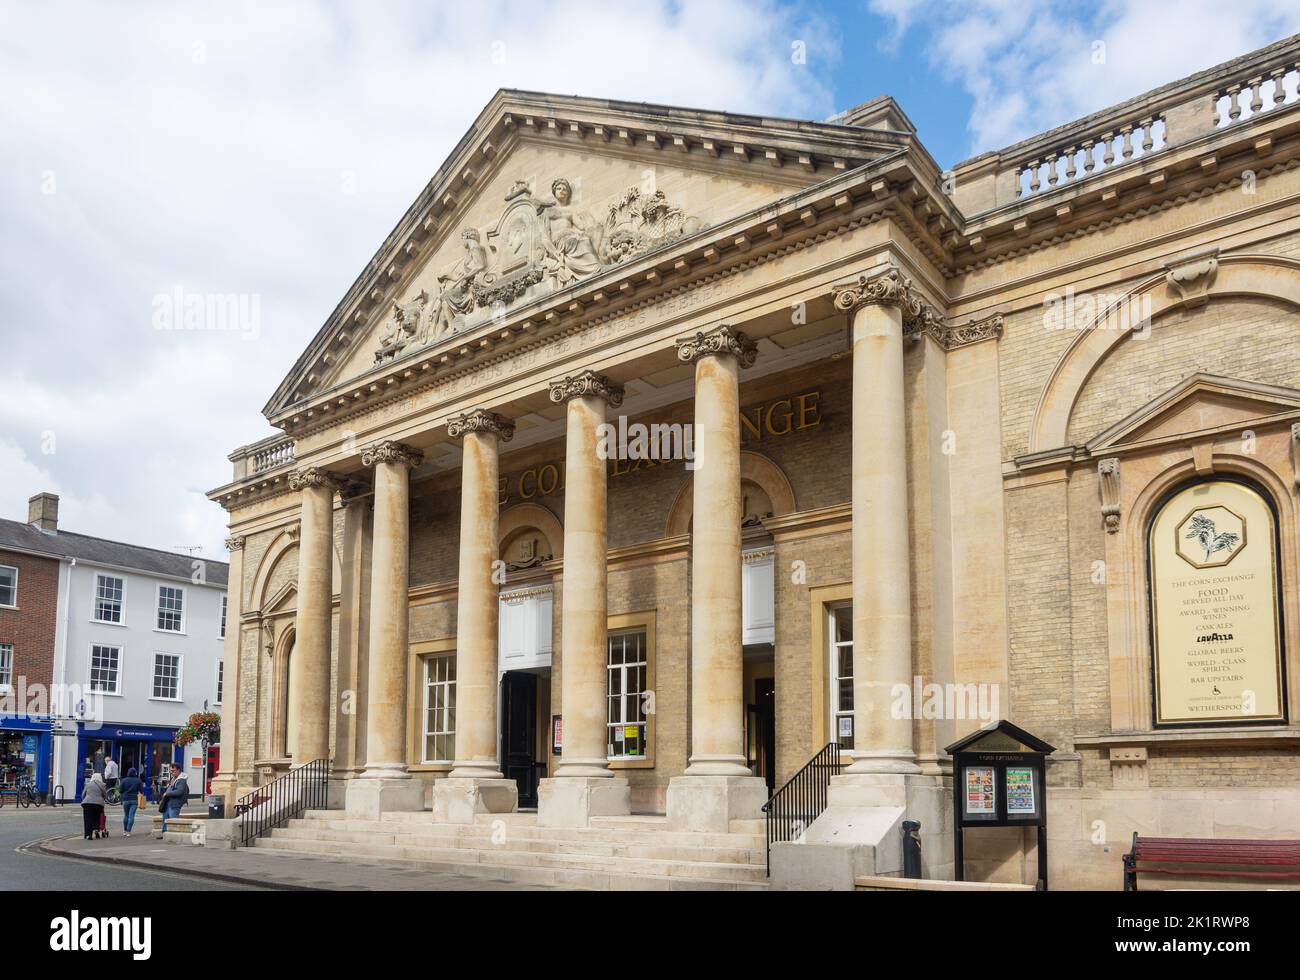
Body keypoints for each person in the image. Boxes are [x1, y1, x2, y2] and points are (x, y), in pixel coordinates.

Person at [159, 763, 188, 832]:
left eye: (173, 771)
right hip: (168, 803)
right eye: (171, 771)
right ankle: (164, 833)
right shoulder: (174, 778)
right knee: (165, 819)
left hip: (174, 804)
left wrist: (167, 793)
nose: (171, 773)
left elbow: (179, 792)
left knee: (173, 821)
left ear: (178, 770)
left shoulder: (181, 780)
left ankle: (173, 834)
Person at [81, 773, 107, 840]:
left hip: (87, 804)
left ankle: (88, 835)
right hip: (98, 804)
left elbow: (83, 794)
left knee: (87, 819)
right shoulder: (103, 785)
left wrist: (85, 800)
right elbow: (105, 795)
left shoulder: (88, 784)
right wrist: (102, 799)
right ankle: (96, 829)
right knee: (97, 817)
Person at [118, 766, 143, 837]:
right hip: (134, 800)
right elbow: (141, 791)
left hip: (125, 799)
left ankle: (124, 830)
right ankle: (128, 831)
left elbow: (120, 790)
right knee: (131, 815)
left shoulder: (124, 780)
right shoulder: (138, 780)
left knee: (126, 815)